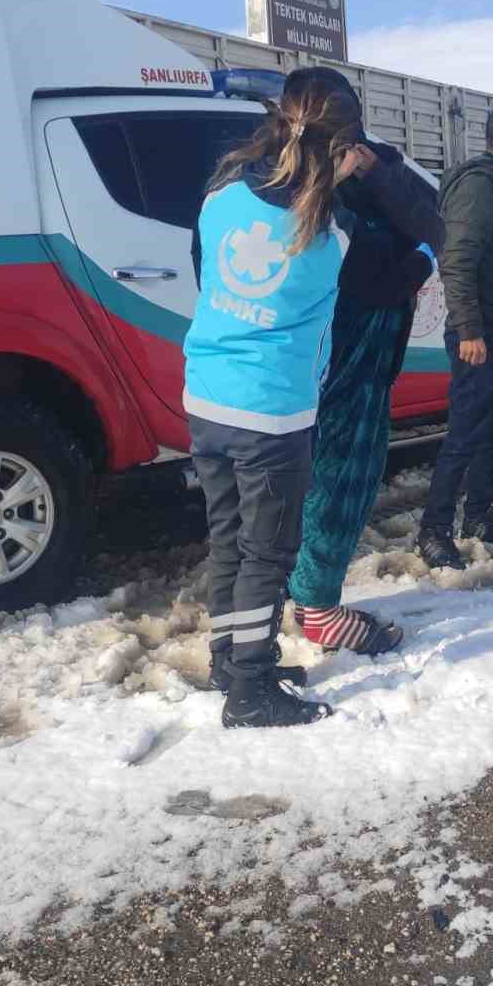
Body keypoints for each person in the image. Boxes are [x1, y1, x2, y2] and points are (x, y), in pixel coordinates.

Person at [185, 69, 365, 728]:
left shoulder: (222, 191)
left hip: (206, 396)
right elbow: (401, 270)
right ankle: (253, 690)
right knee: (268, 555)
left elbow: (205, 270)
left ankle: (230, 659)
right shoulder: (332, 231)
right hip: (272, 413)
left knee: (229, 540)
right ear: (339, 147)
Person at [285, 68, 444, 656]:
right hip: (323, 356)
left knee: (341, 470)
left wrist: (379, 176)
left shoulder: (377, 164)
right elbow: (372, 271)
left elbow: (432, 222)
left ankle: (304, 593)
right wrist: (414, 268)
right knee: (333, 474)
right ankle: (317, 606)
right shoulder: (284, 177)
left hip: (367, 356)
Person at [416, 102, 493, 571]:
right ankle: (433, 528)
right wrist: (469, 329)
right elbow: (457, 259)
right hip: (480, 337)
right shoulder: (479, 187)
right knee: (466, 432)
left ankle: (479, 516)